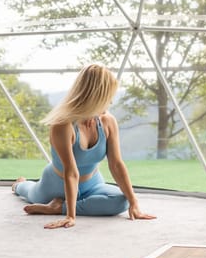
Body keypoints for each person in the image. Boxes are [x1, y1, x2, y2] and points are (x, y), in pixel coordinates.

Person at [12, 63, 156, 229]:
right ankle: (19, 185)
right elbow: (71, 171)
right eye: (108, 96)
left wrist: (134, 203)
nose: (110, 101)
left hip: (92, 183)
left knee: (121, 201)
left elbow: (116, 164)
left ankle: (56, 207)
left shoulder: (108, 122)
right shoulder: (63, 125)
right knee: (29, 192)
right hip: (56, 184)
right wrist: (70, 216)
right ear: (95, 96)